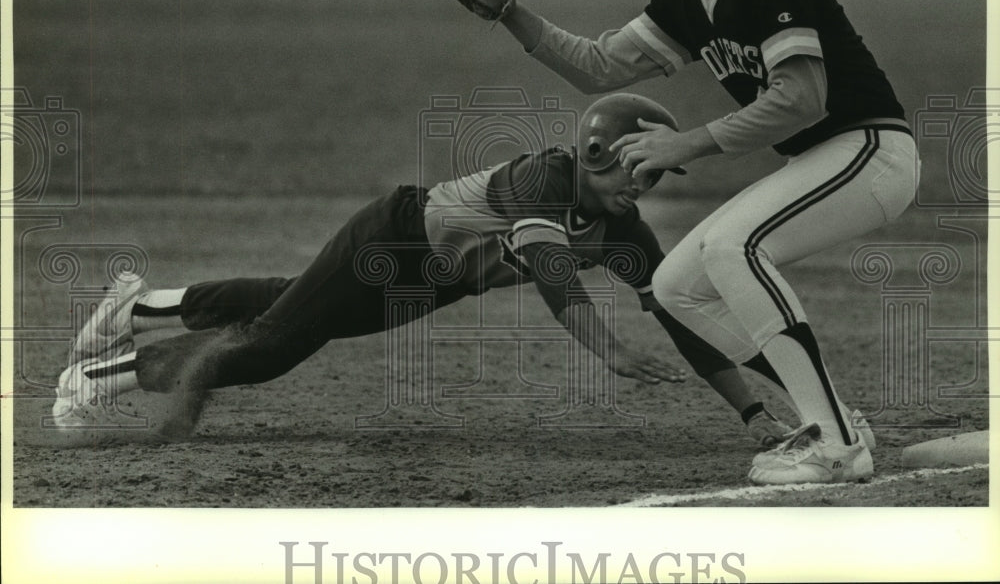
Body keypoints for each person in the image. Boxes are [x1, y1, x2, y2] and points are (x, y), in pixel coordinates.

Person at [484, 0, 913, 484]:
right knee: (679, 285)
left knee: (731, 246)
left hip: (870, 152)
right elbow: (600, 66)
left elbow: (803, 97)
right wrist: (509, 10)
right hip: (825, 160)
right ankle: (834, 415)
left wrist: (687, 141)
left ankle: (834, 440)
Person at [52, 93, 793, 446]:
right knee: (276, 345)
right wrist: (612, 350)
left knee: (285, 307)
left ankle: (138, 307)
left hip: (434, 281)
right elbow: (555, 280)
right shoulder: (545, 179)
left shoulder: (623, 228)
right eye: (638, 164)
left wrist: (753, 410)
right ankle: (99, 378)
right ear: (598, 151)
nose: (647, 182)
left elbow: (675, 310)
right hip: (395, 238)